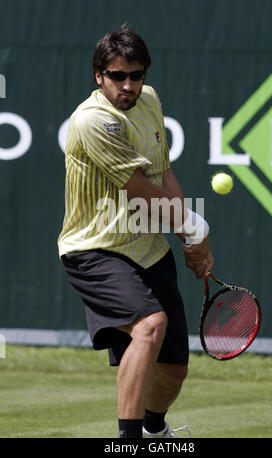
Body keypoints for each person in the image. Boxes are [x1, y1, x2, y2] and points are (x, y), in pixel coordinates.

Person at [57, 25, 214, 439]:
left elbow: (162, 173)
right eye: (117, 76)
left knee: (175, 370)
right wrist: (196, 227)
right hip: (95, 249)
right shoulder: (93, 122)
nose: (128, 85)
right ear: (98, 76)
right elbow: (142, 192)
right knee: (149, 325)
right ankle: (126, 444)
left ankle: (153, 431)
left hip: (148, 247)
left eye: (136, 75)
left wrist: (189, 240)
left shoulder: (149, 101)